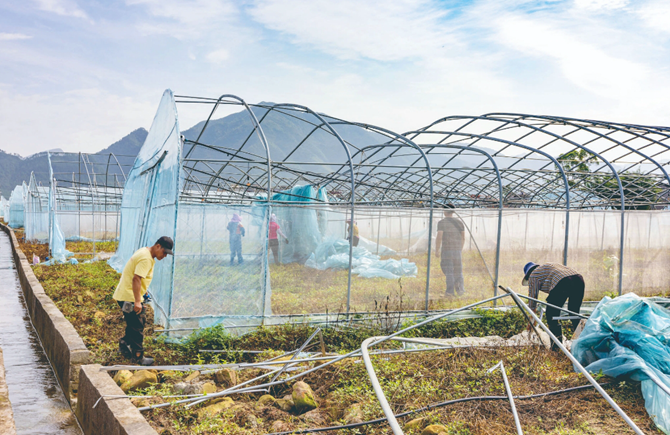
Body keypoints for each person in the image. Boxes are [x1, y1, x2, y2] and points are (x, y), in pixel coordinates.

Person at [113, 236, 173, 365]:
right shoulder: (146, 258)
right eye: (164, 252)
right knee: (137, 325)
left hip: (125, 294)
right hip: (129, 297)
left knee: (133, 322)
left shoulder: (145, 252)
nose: (165, 256)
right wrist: (137, 301)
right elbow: (136, 279)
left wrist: (143, 293)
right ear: (158, 246)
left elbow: (137, 277)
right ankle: (138, 356)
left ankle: (124, 345)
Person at [522, 262, 585, 351]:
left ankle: (556, 349)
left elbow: (533, 299)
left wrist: (532, 320)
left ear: (528, 274)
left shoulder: (533, 275)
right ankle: (582, 343)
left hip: (563, 282)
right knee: (574, 313)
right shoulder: (547, 268)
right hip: (579, 279)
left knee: (551, 315)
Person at [435, 206, 465, 296]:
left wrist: (437, 250)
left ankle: (449, 292)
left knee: (448, 271)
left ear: (444, 211)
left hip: (447, 250)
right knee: (458, 270)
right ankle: (460, 290)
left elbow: (439, 236)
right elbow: (463, 237)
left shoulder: (442, 223)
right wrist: (460, 249)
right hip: (457, 250)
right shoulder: (459, 222)